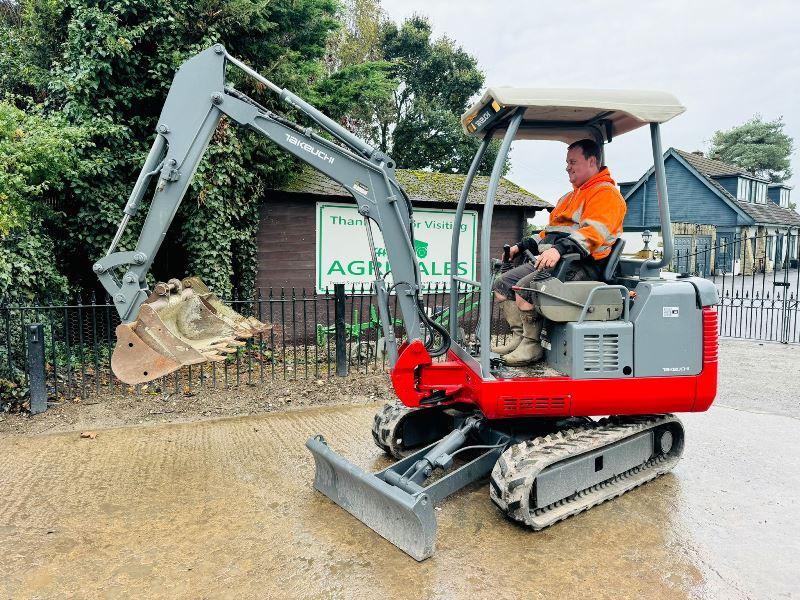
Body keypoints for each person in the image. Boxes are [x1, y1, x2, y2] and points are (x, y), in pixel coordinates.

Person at [492, 138, 627, 366]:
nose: (567, 167)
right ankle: (519, 338)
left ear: (592, 161)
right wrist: (522, 246)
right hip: (555, 260)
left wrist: (559, 249)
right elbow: (548, 233)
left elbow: (593, 233)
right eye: (567, 162)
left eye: (572, 162)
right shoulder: (568, 197)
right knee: (502, 284)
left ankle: (531, 347)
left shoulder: (606, 195)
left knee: (524, 289)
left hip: (581, 265)